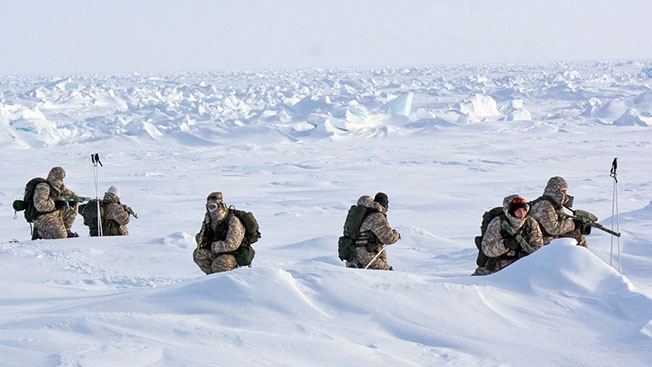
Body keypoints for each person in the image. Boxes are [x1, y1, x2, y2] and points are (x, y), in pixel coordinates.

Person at [473, 195, 544, 276]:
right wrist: (505, 245)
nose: (522, 213)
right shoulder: (497, 223)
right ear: (510, 211)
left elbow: (538, 247)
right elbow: (487, 249)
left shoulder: (531, 223)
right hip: (497, 267)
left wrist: (525, 255)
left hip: (522, 265)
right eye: (518, 210)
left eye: (524, 210)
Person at [193, 192, 246, 274]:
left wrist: (213, 246)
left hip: (234, 254)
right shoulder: (209, 220)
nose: (211, 209)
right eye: (209, 207)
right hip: (217, 252)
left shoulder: (233, 220)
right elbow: (202, 235)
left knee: (218, 265)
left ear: (220, 205)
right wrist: (201, 239)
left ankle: (228, 279)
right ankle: (212, 280)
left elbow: (232, 244)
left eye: (213, 206)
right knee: (198, 255)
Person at [529, 176, 588, 248]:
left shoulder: (554, 205)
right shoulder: (544, 205)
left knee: (577, 236)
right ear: (555, 190)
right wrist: (573, 224)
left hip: (549, 237)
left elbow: (561, 220)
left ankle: (582, 258)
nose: (565, 195)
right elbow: (553, 229)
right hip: (539, 241)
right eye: (563, 191)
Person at [347, 192, 401, 270]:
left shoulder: (363, 212)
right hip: (366, 254)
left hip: (352, 253)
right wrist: (396, 235)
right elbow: (388, 238)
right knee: (384, 274)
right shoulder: (377, 216)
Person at [32, 167, 80, 239]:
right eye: (59, 178)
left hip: (54, 214)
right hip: (43, 217)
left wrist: (75, 200)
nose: (61, 180)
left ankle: (66, 230)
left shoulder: (59, 187)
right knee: (61, 237)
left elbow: (72, 195)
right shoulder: (43, 187)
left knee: (73, 206)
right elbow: (40, 205)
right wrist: (55, 203)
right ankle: (40, 233)